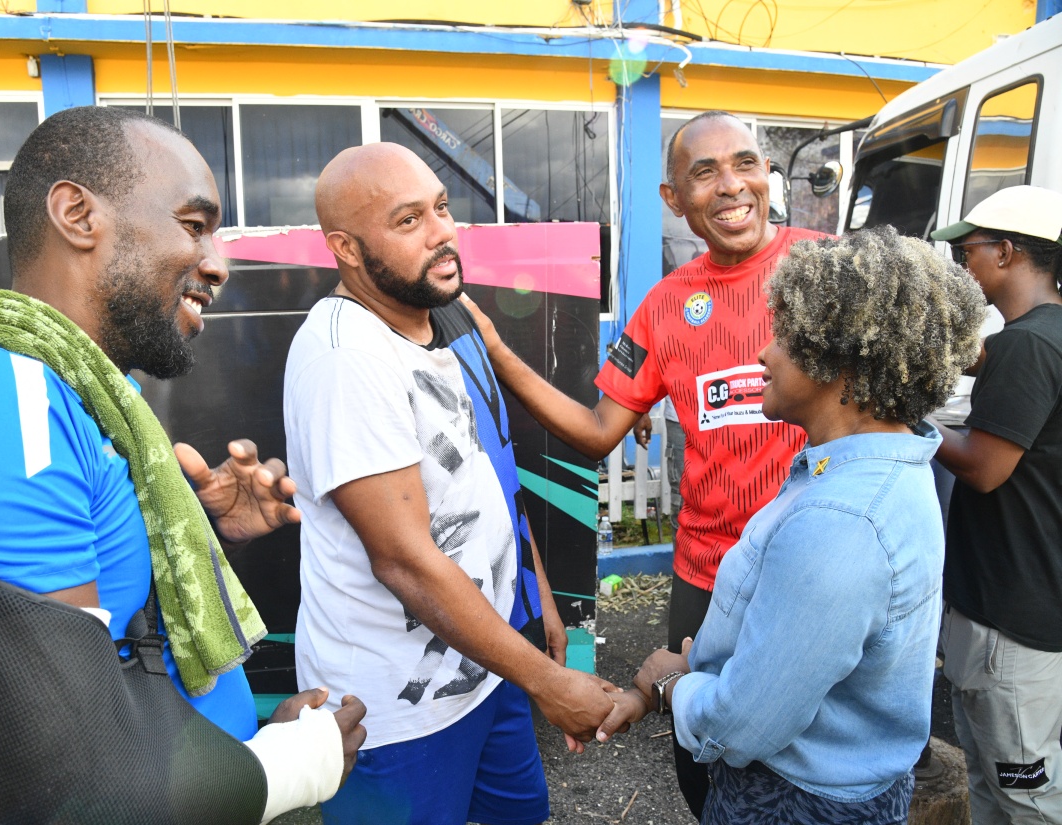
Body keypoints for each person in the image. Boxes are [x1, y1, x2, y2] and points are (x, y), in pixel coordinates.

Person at [0, 105, 365, 823]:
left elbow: (105, 628)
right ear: (77, 215)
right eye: (193, 225)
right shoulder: (9, 397)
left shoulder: (87, 389)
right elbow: (70, 784)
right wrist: (291, 764)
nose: (218, 263)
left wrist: (193, 536)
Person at [462, 109, 823, 817]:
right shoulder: (664, 306)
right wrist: (500, 355)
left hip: (816, 565)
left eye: (746, 163)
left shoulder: (828, 269)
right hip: (708, 575)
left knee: (806, 755)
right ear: (673, 199)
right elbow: (600, 430)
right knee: (702, 758)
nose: (731, 185)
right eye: (705, 173)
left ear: (768, 174)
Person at [598, 226, 986, 824]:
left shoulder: (841, 523)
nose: (763, 353)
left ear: (842, 363)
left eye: (785, 336)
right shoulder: (882, 468)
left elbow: (744, 724)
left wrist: (672, 685)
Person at [283, 142, 616, 825]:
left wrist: (537, 601)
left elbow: (486, 478)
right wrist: (548, 681)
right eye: (408, 221)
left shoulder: (445, 316)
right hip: (394, 713)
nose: (441, 232)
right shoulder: (347, 358)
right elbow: (404, 560)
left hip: (488, 667)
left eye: (441, 208)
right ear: (345, 248)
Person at [928, 184, 1062, 824]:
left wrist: (908, 421)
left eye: (969, 252)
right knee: (992, 788)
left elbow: (983, 469)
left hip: (1008, 621)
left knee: (1022, 797)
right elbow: (984, 364)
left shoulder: (1027, 346)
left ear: (1007, 252)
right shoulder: (1039, 337)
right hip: (1031, 599)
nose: (963, 266)